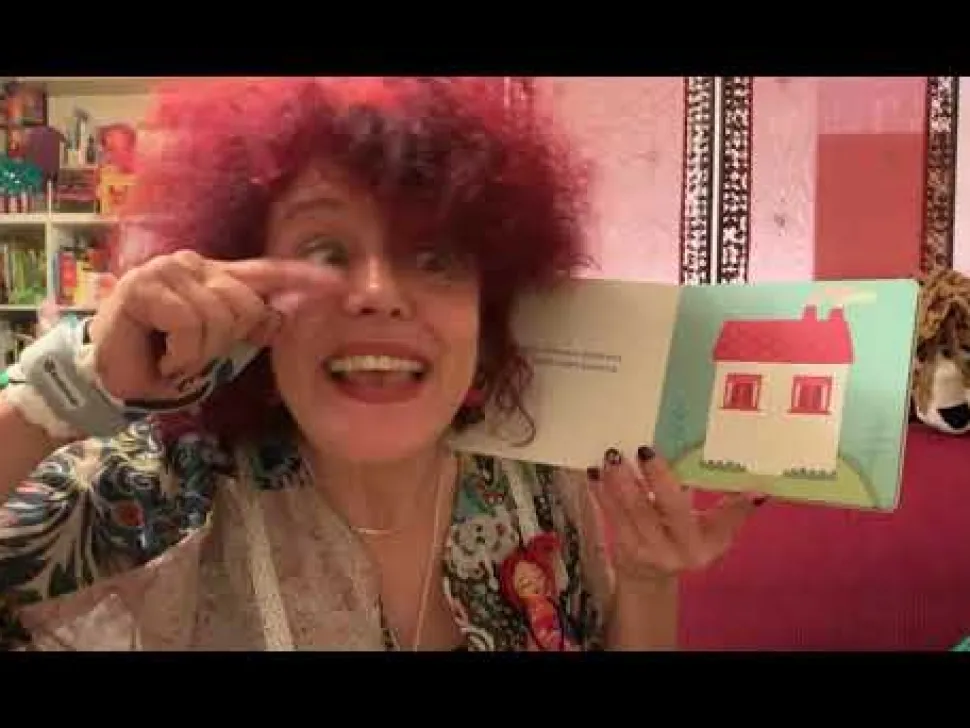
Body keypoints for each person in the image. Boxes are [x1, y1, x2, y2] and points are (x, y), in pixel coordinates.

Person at [0, 77, 765, 651]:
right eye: (324, 251)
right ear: (245, 292)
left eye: (433, 258)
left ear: (488, 308)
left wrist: (647, 579)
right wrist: (70, 386)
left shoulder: (537, 475)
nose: (377, 293)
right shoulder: (169, 487)